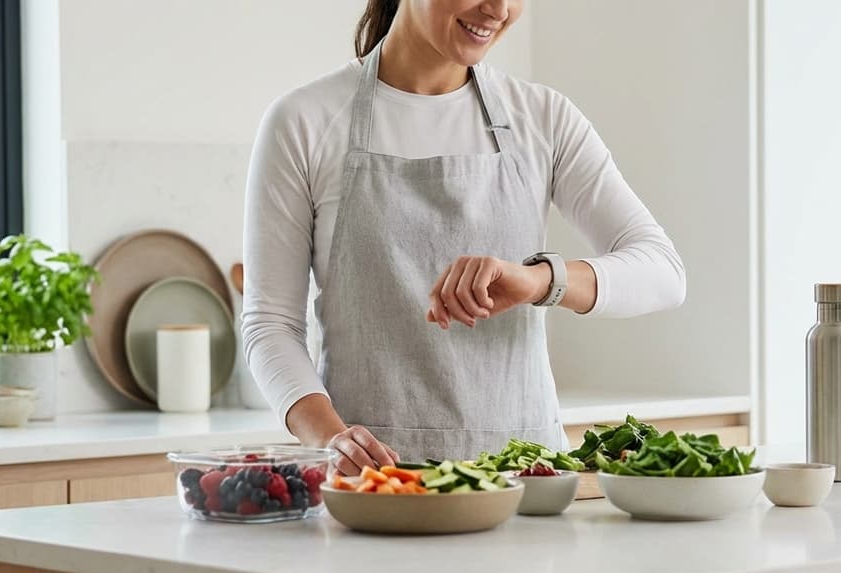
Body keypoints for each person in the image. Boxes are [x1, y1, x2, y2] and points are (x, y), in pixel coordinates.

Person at [241, 0, 685, 476]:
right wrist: (331, 440)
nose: (498, 9)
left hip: (529, 485)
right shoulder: (305, 120)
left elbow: (662, 272)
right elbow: (270, 325)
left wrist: (540, 279)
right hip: (378, 488)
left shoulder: (543, 117)